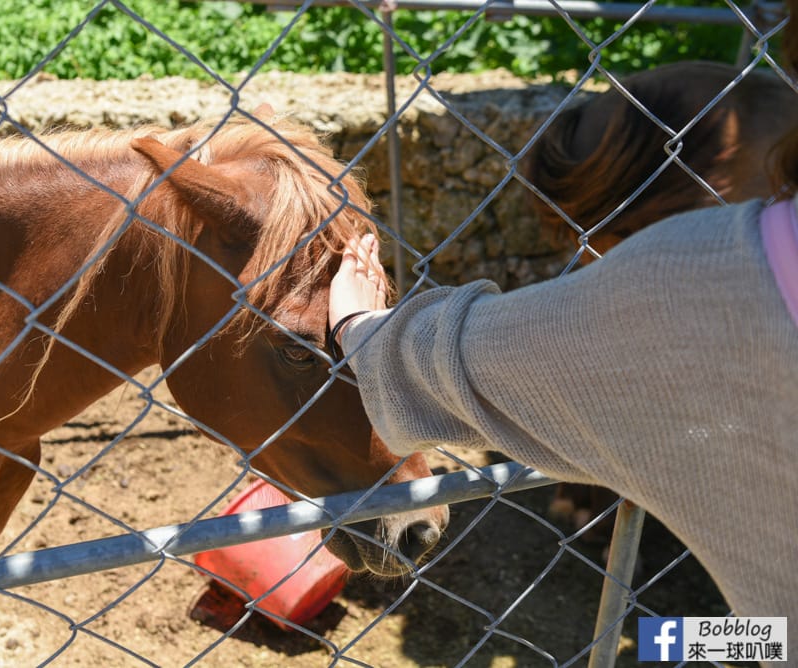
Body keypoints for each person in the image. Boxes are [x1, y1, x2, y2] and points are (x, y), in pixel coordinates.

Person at [328, 136, 798, 662]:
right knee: (719, 640)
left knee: (671, 644)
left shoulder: (703, 274)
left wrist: (360, 331)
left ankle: (666, 645)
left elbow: (503, 364)